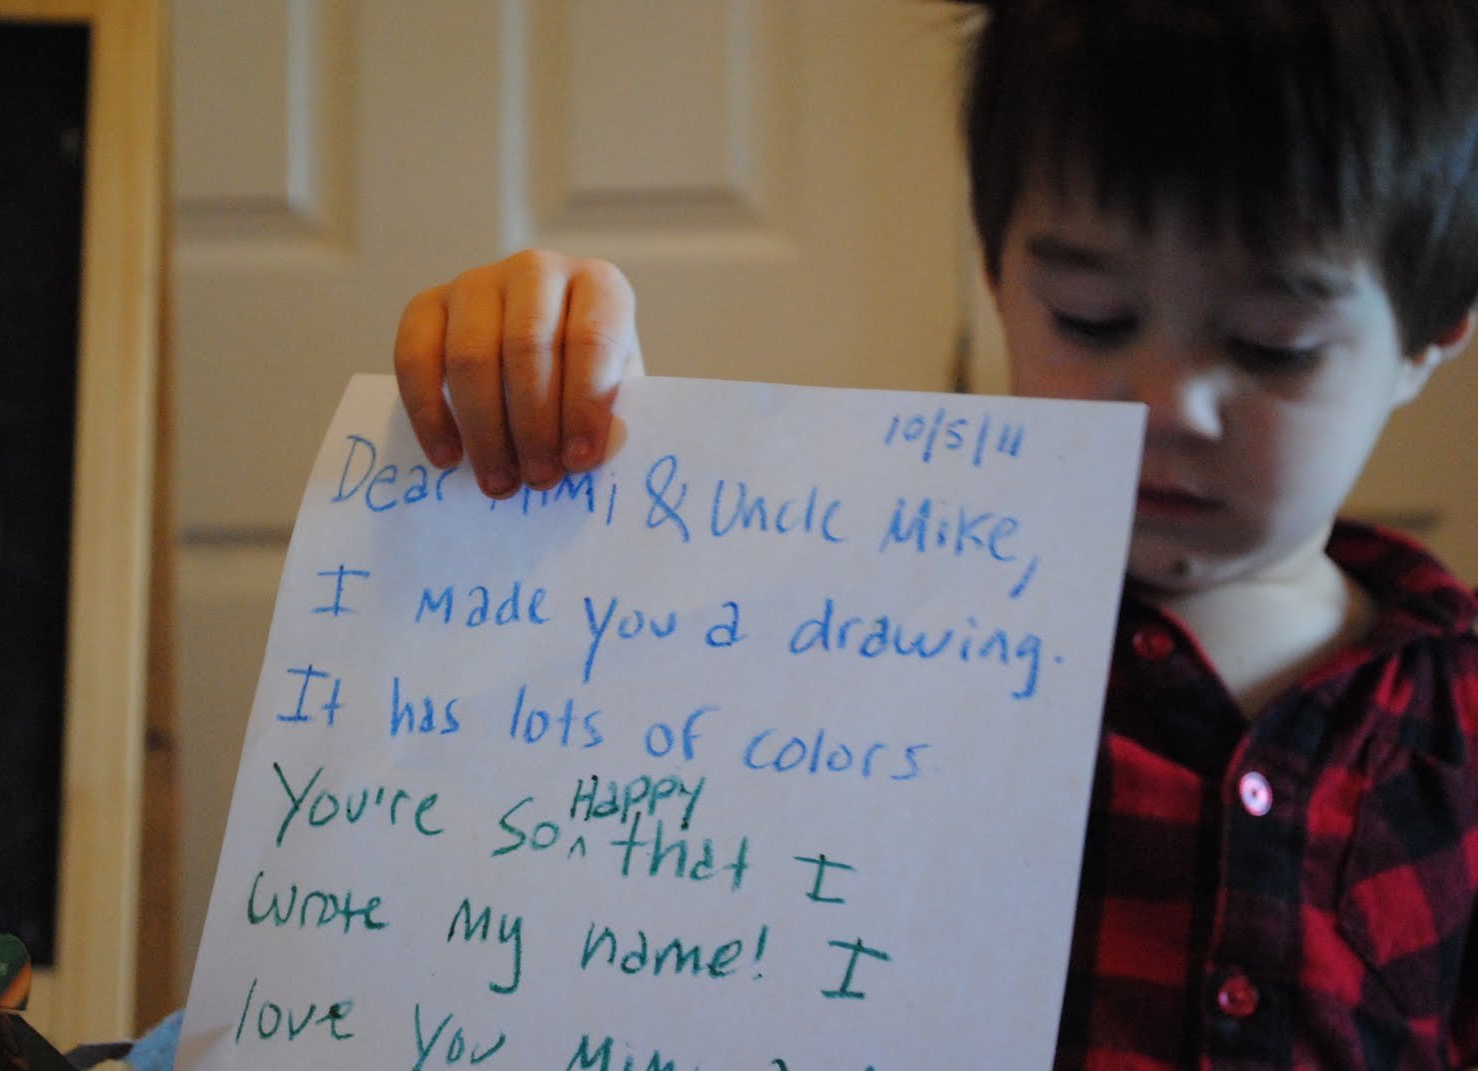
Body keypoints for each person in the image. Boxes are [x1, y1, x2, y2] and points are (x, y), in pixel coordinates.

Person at [393, 1, 1478, 1066]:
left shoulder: (1456, 721)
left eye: (1273, 344)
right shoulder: (856, 617)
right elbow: (599, 787)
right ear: (997, 277)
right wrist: (556, 403)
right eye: (1089, 318)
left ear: (1430, 336)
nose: (1168, 403)